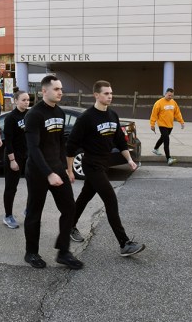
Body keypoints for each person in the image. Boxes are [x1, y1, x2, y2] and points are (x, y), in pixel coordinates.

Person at [66, 80, 145, 257]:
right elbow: (71, 145)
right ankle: (124, 243)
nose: (110, 96)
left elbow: (119, 140)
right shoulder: (86, 118)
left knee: (84, 197)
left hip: (104, 163)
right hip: (91, 165)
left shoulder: (112, 115)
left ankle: (69, 226)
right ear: (96, 95)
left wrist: (130, 160)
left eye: (111, 93)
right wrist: (70, 170)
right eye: (106, 93)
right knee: (111, 200)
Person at [23, 75, 83, 270]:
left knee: (69, 208)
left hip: (57, 169)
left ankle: (63, 252)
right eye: (56, 89)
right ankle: (31, 252)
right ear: (44, 91)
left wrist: (67, 168)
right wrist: (48, 173)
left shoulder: (59, 112)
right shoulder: (34, 115)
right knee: (34, 212)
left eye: (61, 89)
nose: (60, 92)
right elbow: (33, 148)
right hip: (38, 171)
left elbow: (60, 143)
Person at [2, 90, 30, 229]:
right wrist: (12, 160)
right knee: (11, 187)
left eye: (28, 100)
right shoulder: (11, 118)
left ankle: (28, 210)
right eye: (23, 100)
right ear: (16, 101)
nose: (26, 102)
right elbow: (8, 141)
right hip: (14, 156)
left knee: (34, 185)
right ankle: (8, 216)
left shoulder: (30, 115)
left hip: (28, 155)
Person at [150, 88, 185, 166]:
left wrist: (181, 122)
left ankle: (155, 149)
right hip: (162, 124)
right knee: (166, 140)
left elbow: (177, 113)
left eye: (171, 95)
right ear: (165, 94)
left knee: (163, 137)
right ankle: (169, 158)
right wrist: (152, 124)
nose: (170, 97)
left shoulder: (173, 102)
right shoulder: (158, 103)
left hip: (170, 125)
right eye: (169, 95)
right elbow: (154, 114)